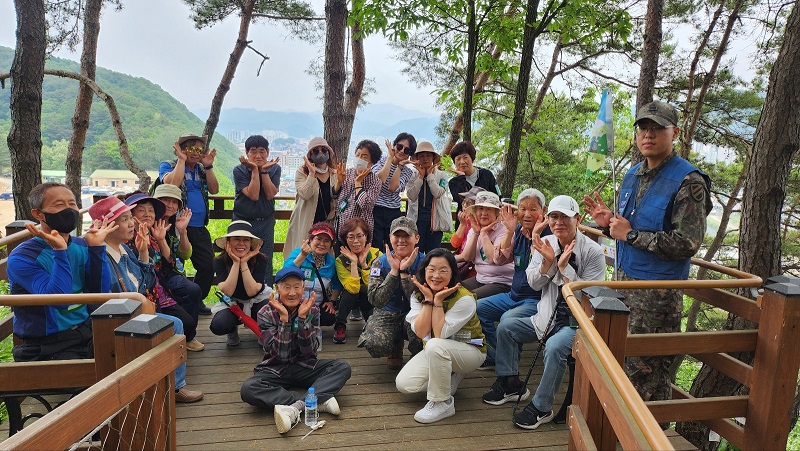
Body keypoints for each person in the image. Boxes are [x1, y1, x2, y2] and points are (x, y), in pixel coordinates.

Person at [582, 100, 711, 406]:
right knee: (618, 364)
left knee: (647, 375)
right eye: (643, 128)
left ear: (674, 133)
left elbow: (687, 243)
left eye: (657, 129)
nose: (648, 135)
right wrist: (609, 224)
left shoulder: (688, 181)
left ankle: (649, 430)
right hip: (623, 287)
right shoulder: (632, 175)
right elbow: (628, 228)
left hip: (657, 298)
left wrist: (631, 235)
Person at [481, 195, 605, 430]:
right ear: (548, 219)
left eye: (565, 217)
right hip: (546, 316)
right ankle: (510, 382)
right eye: (554, 217)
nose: (559, 222)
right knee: (507, 327)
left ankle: (541, 407)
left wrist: (564, 268)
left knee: (555, 346)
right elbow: (534, 283)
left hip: (577, 322)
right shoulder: (545, 242)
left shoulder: (593, 252)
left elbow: (589, 296)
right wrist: (547, 264)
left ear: (578, 219)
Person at [89, 195, 203, 403]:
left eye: (129, 218)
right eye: (125, 219)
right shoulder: (100, 255)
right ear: (107, 226)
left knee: (178, 320)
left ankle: (172, 385)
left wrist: (143, 253)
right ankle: (172, 387)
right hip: (118, 320)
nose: (131, 223)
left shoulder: (124, 248)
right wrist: (96, 250)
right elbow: (101, 291)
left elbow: (146, 284)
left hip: (137, 311)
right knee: (176, 324)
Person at [7, 183, 114, 362]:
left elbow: (100, 293)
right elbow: (59, 300)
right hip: (47, 346)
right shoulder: (23, 257)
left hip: (87, 332)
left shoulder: (80, 245)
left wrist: (96, 249)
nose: (69, 210)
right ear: (38, 214)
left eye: (72, 204)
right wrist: (59, 251)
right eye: (59, 205)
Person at [240, 266, 352, 434]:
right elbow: (280, 355)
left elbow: (310, 352)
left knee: (342, 367)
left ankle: (297, 407)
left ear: (303, 287)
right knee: (249, 389)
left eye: (297, 287)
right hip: (275, 368)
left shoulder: (312, 310)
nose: (292, 293)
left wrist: (302, 319)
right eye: (286, 287)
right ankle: (316, 401)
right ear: (277, 288)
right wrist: (284, 321)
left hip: (304, 365)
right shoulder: (265, 312)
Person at [396, 248, 486, 424]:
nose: (436, 275)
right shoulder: (419, 294)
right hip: (438, 349)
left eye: (443, 270)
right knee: (405, 384)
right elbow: (421, 332)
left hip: (470, 349)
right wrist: (428, 300)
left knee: (435, 345)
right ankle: (449, 376)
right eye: (431, 269)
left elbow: (439, 334)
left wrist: (437, 302)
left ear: (453, 273)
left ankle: (442, 402)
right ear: (424, 271)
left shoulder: (464, 298)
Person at [476, 188, 550, 369]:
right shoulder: (518, 231)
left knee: (507, 320)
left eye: (533, 209)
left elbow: (539, 271)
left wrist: (535, 237)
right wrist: (509, 231)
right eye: (522, 209)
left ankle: (509, 374)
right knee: (477, 308)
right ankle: (494, 355)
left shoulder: (550, 236)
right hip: (513, 296)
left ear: (543, 210)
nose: (527, 214)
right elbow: (498, 259)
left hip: (537, 300)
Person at [124, 192, 203, 352]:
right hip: (146, 290)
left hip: (161, 283)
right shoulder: (127, 238)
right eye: (141, 210)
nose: (147, 214)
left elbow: (170, 263)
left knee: (192, 293)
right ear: (131, 215)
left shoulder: (155, 232)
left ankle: (187, 337)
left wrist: (161, 239)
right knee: (182, 322)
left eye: (151, 210)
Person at [158, 133, 219, 314]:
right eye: (191, 148)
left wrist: (209, 166)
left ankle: (196, 300)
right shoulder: (168, 165)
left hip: (199, 226)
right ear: (182, 149)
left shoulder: (201, 168)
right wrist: (181, 161)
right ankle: (174, 302)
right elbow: (172, 185)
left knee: (208, 265)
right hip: (173, 225)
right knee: (174, 265)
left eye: (199, 149)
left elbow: (214, 189)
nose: (195, 152)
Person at [359, 216, 425, 370]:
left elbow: (422, 300)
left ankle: (419, 357)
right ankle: (395, 346)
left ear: (416, 238)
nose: (401, 240)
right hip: (387, 313)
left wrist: (405, 272)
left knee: (423, 335)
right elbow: (375, 300)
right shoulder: (380, 262)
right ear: (390, 238)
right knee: (374, 343)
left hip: (416, 313)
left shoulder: (426, 263)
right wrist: (394, 272)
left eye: (406, 236)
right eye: (397, 235)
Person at [211, 221, 271, 346]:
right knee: (219, 325)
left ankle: (264, 332)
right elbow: (228, 291)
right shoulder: (219, 261)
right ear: (228, 242)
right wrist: (236, 263)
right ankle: (232, 329)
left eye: (246, 240)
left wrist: (244, 263)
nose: (241, 243)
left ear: (251, 243)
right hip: (232, 301)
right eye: (237, 239)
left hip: (257, 300)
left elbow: (252, 291)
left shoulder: (261, 259)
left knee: (270, 313)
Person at [233, 135, 281, 285]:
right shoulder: (239, 170)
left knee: (265, 260)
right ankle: (239, 293)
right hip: (242, 221)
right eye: (253, 151)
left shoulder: (274, 169)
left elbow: (270, 194)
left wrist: (264, 172)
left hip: (266, 221)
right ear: (246, 153)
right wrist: (255, 170)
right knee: (240, 258)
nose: (258, 155)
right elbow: (253, 195)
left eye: (262, 151)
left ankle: (265, 294)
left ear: (268, 152)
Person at [152, 184, 202, 326]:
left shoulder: (175, 224)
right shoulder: (150, 222)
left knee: (193, 290)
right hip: (154, 274)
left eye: (174, 202)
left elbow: (185, 254)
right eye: (165, 200)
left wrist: (183, 231)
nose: (170, 205)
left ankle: (189, 332)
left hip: (170, 273)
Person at [284, 137, 339, 260]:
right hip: (306, 220)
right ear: (310, 154)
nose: (320, 153)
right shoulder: (302, 172)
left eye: (323, 149)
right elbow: (305, 194)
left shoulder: (335, 174)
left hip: (326, 223)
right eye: (315, 150)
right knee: (302, 254)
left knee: (324, 256)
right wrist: (311, 174)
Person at [332, 217, 383, 344]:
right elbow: (352, 289)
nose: (356, 241)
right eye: (351, 237)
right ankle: (340, 325)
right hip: (350, 299)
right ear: (345, 239)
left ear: (366, 237)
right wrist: (354, 263)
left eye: (360, 236)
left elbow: (372, 286)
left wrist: (364, 265)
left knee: (373, 318)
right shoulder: (340, 261)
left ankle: (369, 322)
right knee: (349, 292)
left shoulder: (378, 256)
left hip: (369, 297)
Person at [283, 222, 342, 328]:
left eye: (326, 241)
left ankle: (309, 323)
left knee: (329, 317)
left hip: (316, 304)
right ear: (310, 240)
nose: (322, 244)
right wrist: (302, 255)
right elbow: (285, 272)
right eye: (318, 239)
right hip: (293, 302)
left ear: (331, 244)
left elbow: (337, 284)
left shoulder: (331, 263)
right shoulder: (298, 253)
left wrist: (332, 302)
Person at [457, 191, 514, 299]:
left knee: (467, 299)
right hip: (480, 278)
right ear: (475, 211)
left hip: (501, 281)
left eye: (489, 209)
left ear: (496, 213)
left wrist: (483, 234)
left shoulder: (503, 230)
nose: (484, 213)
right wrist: (476, 233)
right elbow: (468, 257)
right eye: (480, 209)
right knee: (452, 292)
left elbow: (493, 258)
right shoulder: (473, 230)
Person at [371, 132, 416, 250]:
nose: (402, 151)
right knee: (375, 247)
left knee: (393, 247)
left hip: (394, 211)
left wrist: (399, 166)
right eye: (399, 147)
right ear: (394, 146)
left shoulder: (407, 171)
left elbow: (392, 187)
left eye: (407, 150)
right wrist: (390, 159)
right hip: (375, 209)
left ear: (409, 155)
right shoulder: (380, 161)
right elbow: (379, 180)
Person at [405, 141, 452, 253]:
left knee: (434, 254)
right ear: (417, 158)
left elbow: (438, 193)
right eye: (421, 156)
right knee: (416, 254)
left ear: (433, 158)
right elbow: (411, 195)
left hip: (435, 224)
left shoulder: (442, 175)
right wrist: (420, 178)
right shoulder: (412, 175)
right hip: (416, 223)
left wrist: (430, 176)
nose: (425, 158)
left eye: (428, 155)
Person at [447, 141, 500, 229]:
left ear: (472, 159)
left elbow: (497, 195)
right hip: (464, 225)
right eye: (458, 159)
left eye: (465, 157)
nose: (462, 162)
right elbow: (460, 200)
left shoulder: (486, 174)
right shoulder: (453, 182)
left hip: (487, 223)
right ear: (454, 162)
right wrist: (461, 177)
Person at [334, 139, 382, 237]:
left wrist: (358, 183)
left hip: (361, 229)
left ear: (372, 162)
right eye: (358, 155)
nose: (359, 159)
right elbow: (334, 195)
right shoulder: (347, 173)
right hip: (343, 224)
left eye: (364, 157)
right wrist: (339, 182)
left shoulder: (375, 181)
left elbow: (366, 205)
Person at [451, 186, 484, 280]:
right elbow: (454, 244)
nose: (464, 205)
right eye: (464, 201)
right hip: (461, 261)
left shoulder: (480, 225)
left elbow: (468, 256)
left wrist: (451, 259)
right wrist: (462, 224)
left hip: (470, 266)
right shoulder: (467, 221)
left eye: (468, 203)